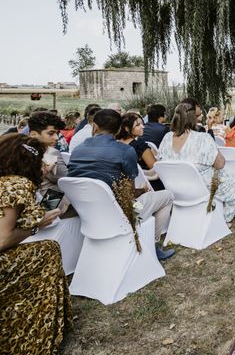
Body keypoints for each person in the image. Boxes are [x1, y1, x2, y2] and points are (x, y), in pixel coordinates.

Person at [68, 109, 175, 260]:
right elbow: (129, 193)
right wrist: (142, 191)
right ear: (119, 129)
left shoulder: (77, 151)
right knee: (168, 196)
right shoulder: (125, 151)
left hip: (88, 217)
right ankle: (152, 244)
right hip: (119, 216)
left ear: (94, 127)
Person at [0, 134, 72, 354]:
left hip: (45, 201)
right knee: (48, 249)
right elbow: (3, 239)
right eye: (40, 160)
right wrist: (36, 225)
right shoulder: (18, 185)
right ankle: (36, 329)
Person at [158, 103, 235, 222]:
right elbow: (219, 164)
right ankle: (224, 218)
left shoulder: (167, 138)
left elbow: (161, 162)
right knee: (234, 181)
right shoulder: (202, 138)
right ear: (193, 118)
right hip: (200, 188)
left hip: (176, 190)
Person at [27, 111, 69, 196]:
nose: (56, 138)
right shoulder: (50, 153)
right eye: (51, 133)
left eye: (57, 133)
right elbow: (66, 180)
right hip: (48, 201)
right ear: (33, 134)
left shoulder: (18, 150)